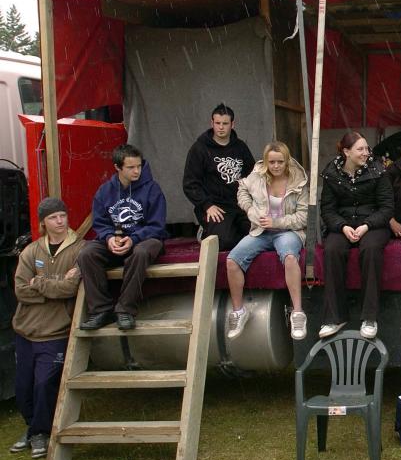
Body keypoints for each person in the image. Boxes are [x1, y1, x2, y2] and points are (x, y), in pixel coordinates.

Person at [10, 198, 84, 460]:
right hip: (25, 330)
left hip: (56, 331)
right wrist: (52, 285)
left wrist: (38, 283)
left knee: (44, 384)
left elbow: (70, 288)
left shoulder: (80, 249)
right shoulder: (30, 251)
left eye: (63, 215)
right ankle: (32, 429)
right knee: (23, 387)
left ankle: (41, 432)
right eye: (54, 217)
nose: (60, 221)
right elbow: (20, 290)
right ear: (44, 222)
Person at [77, 144, 167, 331]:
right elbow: (100, 223)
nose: (137, 171)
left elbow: (157, 226)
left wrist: (133, 239)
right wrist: (109, 238)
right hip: (115, 241)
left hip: (145, 240)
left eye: (139, 166)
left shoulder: (152, 189)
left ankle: (125, 310)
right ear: (118, 168)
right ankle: (101, 311)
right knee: (86, 253)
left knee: (141, 252)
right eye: (131, 167)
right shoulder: (105, 191)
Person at [225, 141, 309, 341]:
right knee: (232, 260)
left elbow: (304, 217)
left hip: (288, 230)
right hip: (260, 231)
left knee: (289, 256)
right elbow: (242, 190)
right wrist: (250, 210)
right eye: (272, 162)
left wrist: (277, 221)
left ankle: (298, 312)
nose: (276, 166)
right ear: (266, 162)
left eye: (280, 161)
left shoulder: (299, 181)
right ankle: (238, 311)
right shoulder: (257, 175)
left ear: (287, 161)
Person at [319, 132, 394, 340]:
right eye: (360, 149)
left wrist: (366, 225)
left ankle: (370, 317)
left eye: (366, 148)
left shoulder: (378, 170)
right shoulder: (332, 173)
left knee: (370, 250)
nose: (366, 153)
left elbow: (387, 208)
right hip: (342, 224)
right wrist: (342, 227)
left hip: (373, 223)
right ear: (346, 152)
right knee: (332, 249)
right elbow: (327, 210)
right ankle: (334, 317)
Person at [182, 103, 255, 250]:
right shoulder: (200, 148)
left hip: (239, 205)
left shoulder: (241, 147)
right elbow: (190, 183)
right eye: (217, 123)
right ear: (212, 123)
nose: (221, 127)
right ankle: (205, 231)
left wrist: (251, 204)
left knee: (255, 236)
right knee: (224, 243)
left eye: (225, 123)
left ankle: (229, 229)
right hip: (215, 206)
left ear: (232, 124)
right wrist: (206, 205)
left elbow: (253, 177)